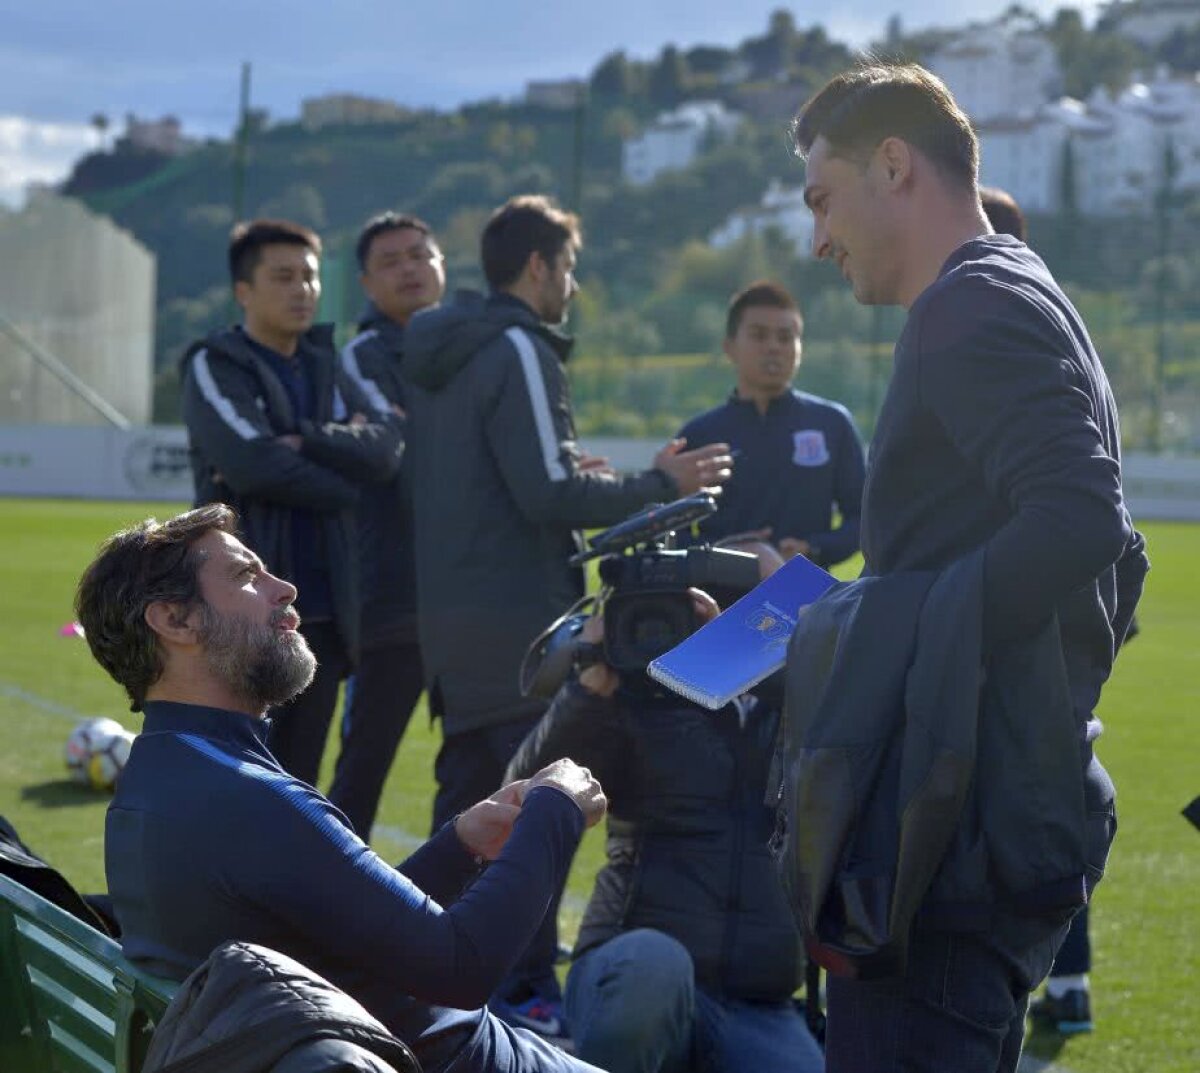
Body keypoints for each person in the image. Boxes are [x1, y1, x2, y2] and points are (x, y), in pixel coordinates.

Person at [788, 63, 1147, 1071]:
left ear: (893, 165)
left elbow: (1082, 518)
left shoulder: (970, 304)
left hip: (952, 821)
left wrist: (890, 634)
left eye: (823, 198)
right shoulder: (1011, 289)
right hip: (979, 795)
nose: (819, 238)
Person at [77, 504, 610, 1073]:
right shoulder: (247, 798)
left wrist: (459, 847)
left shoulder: (159, 778)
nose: (284, 588)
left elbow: (334, 930)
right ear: (175, 622)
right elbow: (460, 967)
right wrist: (555, 808)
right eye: (245, 576)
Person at [403, 193, 733, 1035]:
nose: (574, 288)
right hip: (517, 618)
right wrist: (664, 486)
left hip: (452, 619)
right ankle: (518, 996)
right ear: (540, 267)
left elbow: (505, 481)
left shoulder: (448, 350)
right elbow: (546, 490)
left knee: (471, 814)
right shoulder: (515, 343)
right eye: (570, 269)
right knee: (532, 807)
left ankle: (441, 988)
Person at [505, 565, 825, 1073]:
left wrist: (754, 676)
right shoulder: (637, 702)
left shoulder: (797, 713)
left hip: (760, 1003)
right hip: (635, 973)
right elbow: (523, 794)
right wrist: (590, 685)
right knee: (653, 966)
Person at [180, 219, 402, 790]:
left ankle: (281, 881)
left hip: (322, 614)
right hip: (238, 610)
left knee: (296, 779)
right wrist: (346, 487)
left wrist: (304, 438)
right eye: (283, 277)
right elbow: (252, 462)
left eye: (309, 276)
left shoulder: (331, 366)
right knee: (233, 776)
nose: (302, 289)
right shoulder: (217, 362)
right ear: (243, 291)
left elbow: (385, 449)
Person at [327, 212, 445, 841]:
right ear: (367, 285)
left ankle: (461, 912)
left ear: (441, 267)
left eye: (420, 255)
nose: (409, 269)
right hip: (389, 600)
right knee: (361, 769)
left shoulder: (474, 347)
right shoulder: (362, 355)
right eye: (391, 261)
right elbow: (393, 452)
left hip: (468, 602)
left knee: (479, 767)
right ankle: (330, 911)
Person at [677, 280, 865, 569]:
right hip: (719, 602)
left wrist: (814, 549)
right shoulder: (700, 435)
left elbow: (863, 518)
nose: (774, 347)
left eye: (786, 337)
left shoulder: (831, 425)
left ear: (800, 346)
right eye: (759, 335)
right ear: (729, 347)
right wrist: (726, 553)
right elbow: (672, 535)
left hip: (803, 600)